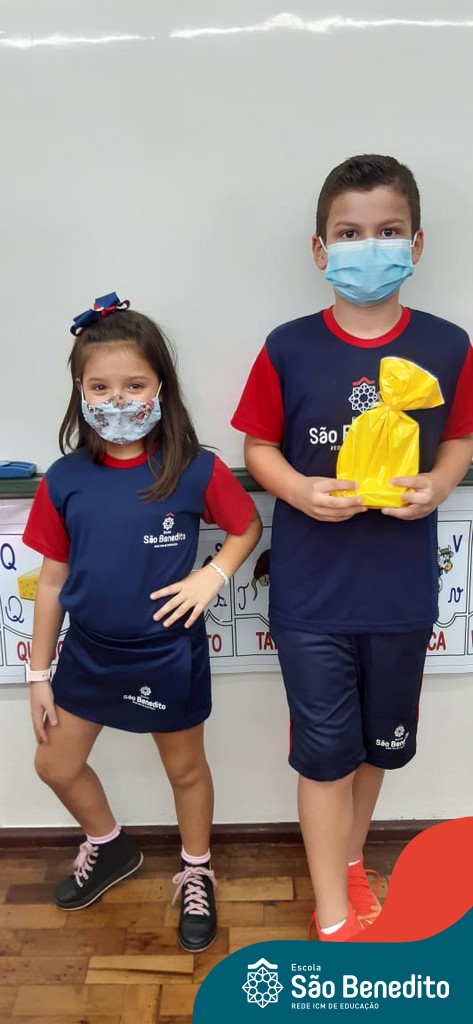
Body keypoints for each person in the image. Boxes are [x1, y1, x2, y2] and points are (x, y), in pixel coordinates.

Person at [231, 155, 473, 941]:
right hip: (312, 596)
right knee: (324, 755)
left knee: (377, 747)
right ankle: (334, 916)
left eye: (387, 231)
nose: (368, 248)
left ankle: (348, 862)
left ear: (416, 243)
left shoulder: (447, 344)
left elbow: (459, 437)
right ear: (319, 249)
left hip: (400, 594)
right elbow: (258, 446)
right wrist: (298, 491)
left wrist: (438, 483)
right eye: (348, 233)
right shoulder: (288, 347)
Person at [23, 293, 262, 953]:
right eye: (101, 387)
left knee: (185, 770)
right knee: (55, 763)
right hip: (88, 654)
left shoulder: (194, 467)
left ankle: (196, 868)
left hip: (166, 654)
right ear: (80, 391)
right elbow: (51, 581)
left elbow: (245, 526)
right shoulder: (64, 480)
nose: (118, 400)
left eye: (134, 385)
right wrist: (39, 675)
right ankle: (109, 845)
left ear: (161, 386)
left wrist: (212, 575)